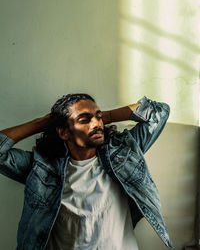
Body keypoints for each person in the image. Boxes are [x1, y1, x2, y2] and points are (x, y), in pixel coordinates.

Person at [0, 93, 172, 250]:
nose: (97, 124)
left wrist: (108, 116)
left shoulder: (124, 154)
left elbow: (159, 112)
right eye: (84, 119)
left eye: (99, 117)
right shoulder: (42, 168)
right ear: (64, 132)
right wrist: (42, 123)